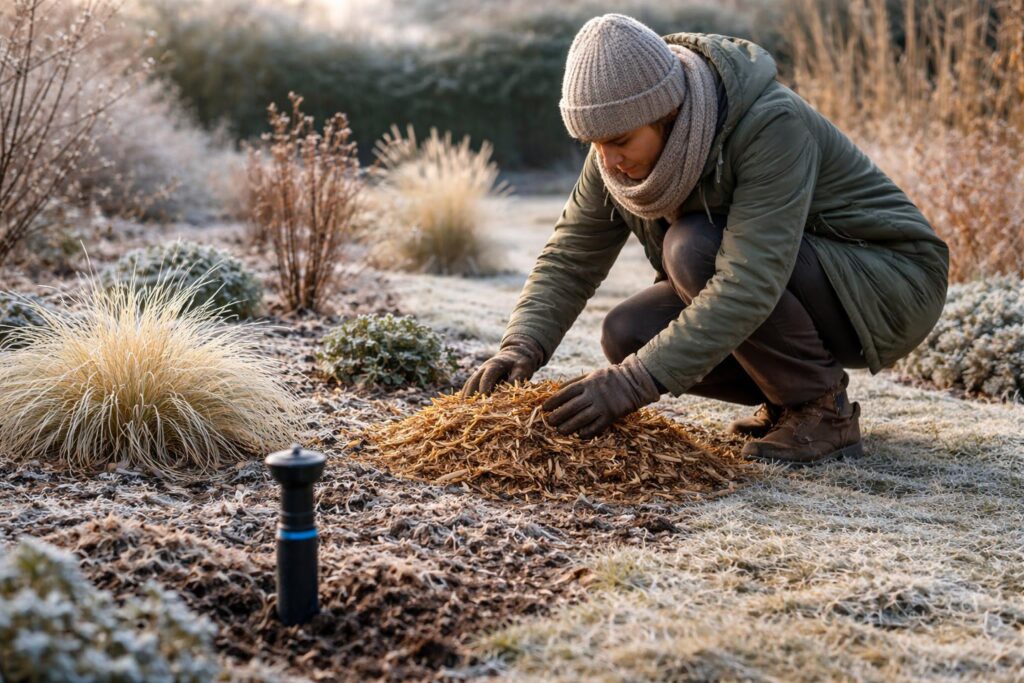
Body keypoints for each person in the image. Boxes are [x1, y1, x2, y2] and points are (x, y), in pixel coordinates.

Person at [461, 13, 949, 466]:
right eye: (594, 144)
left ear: (664, 113)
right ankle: (786, 401)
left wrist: (633, 384)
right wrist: (521, 345)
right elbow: (571, 256)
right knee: (628, 331)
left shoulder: (769, 123)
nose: (606, 160)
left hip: (891, 281)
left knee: (693, 247)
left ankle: (823, 413)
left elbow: (750, 281)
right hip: (799, 282)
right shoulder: (613, 150)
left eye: (620, 142)